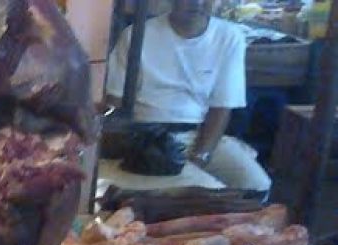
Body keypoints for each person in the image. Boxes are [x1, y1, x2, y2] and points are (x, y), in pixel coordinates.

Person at [105, 0, 272, 192]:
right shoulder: (135, 35)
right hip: (144, 137)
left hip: (196, 136)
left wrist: (201, 157)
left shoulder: (229, 37)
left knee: (258, 186)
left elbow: (221, 108)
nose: (198, 3)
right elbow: (114, 101)